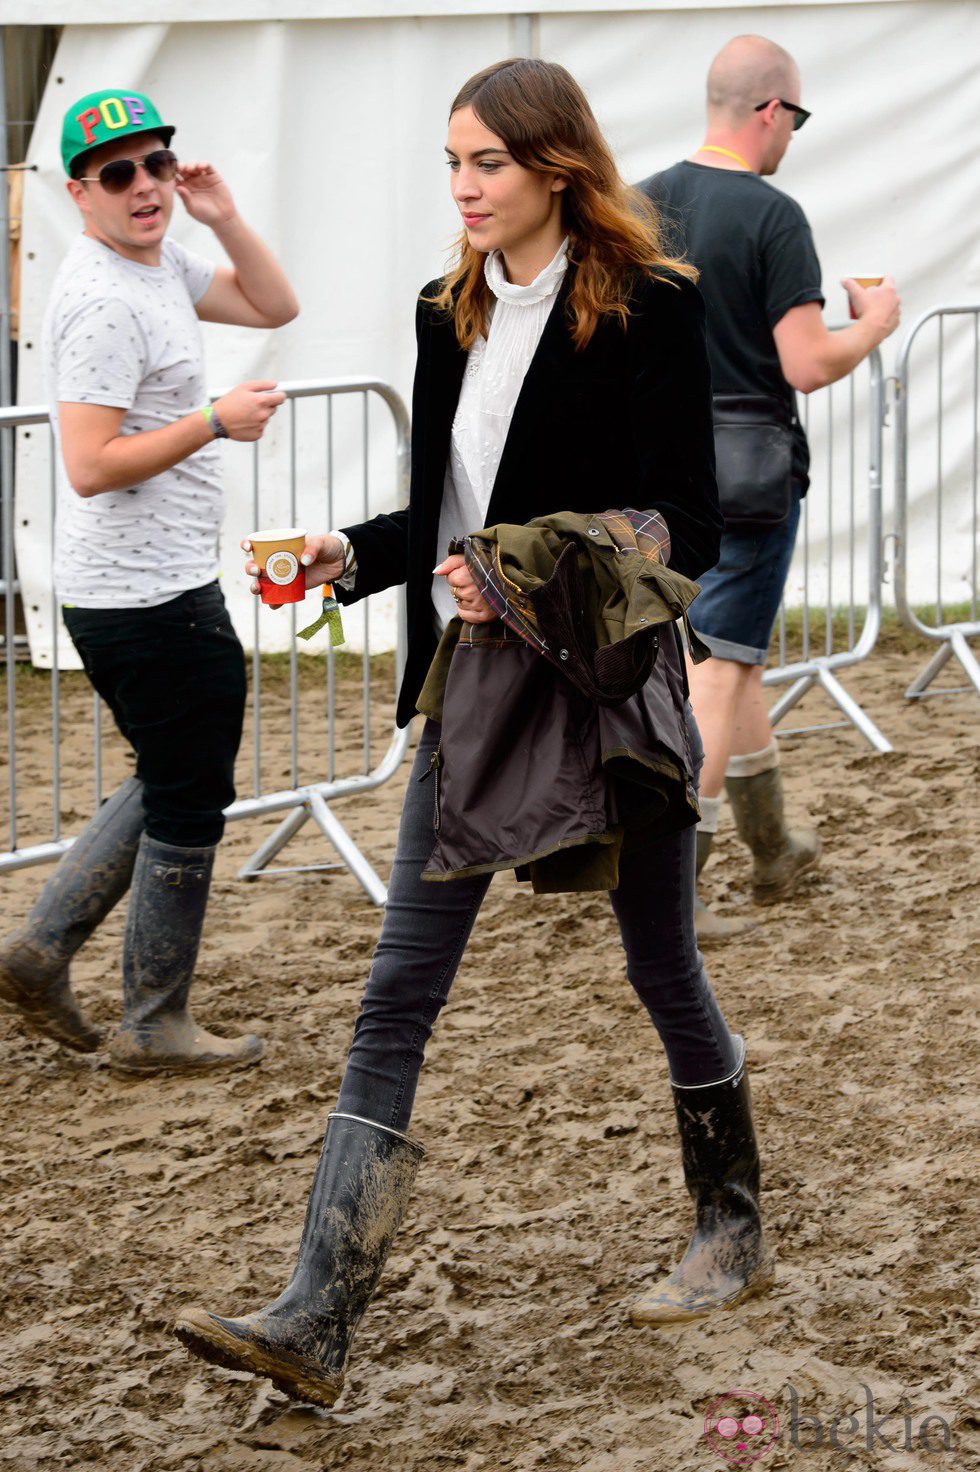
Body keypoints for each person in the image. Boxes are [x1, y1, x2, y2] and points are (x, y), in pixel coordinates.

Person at [173, 58, 772, 1407]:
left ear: (557, 166)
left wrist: (524, 561)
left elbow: (689, 521)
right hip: (477, 690)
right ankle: (317, 1317)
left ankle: (730, 1221)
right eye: (450, 163)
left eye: (485, 164)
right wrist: (345, 551)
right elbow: (440, 520)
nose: (462, 188)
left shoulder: (652, 309)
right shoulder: (446, 313)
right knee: (398, 988)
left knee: (663, 967)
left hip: (610, 687)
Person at [0, 89, 298, 1074]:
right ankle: (152, 1019)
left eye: (157, 165)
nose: (144, 187)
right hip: (139, 593)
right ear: (79, 194)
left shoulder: (161, 257)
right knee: (189, 783)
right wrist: (212, 418)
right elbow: (88, 461)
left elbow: (273, 304)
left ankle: (42, 948)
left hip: (156, 579)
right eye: (118, 173)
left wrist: (222, 217)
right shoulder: (102, 300)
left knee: (178, 769)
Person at [638, 36, 901, 943]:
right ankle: (678, 888)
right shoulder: (772, 213)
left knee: (727, 651)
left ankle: (774, 843)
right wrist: (873, 325)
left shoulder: (635, 205)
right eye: (795, 117)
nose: (792, 133)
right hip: (747, 473)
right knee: (717, 672)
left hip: (654, 470)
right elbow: (807, 361)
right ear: (770, 111)